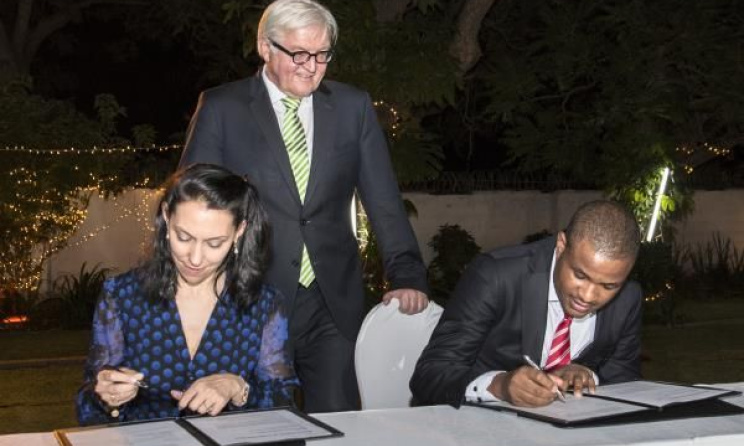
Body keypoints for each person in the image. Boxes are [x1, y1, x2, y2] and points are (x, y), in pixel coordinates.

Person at [179, 0, 429, 412]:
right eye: (298, 53)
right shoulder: (223, 108)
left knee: (339, 427)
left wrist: (406, 273)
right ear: (265, 47)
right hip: (249, 301)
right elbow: (191, 206)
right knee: (263, 427)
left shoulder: (353, 108)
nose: (311, 66)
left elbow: (383, 200)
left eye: (322, 55)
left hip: (333, 302)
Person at [76, 163, 298, 425]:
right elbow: (87, 407)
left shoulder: (264, 302)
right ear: (167, 218)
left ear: (239, 232)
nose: (195, 258)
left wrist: (238, 388)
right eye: (184, 237)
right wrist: (106, 396)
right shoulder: (122, 296)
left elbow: (285, 403)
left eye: (214, 243)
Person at [410, 200, 643, 408]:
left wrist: (589, 376)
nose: (589, 295)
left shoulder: (628, 299)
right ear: (561, 245)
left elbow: (624, 385)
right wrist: (500, 386)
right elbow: (429, 375)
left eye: (609, 286)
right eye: (580, 276)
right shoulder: (496, 275)